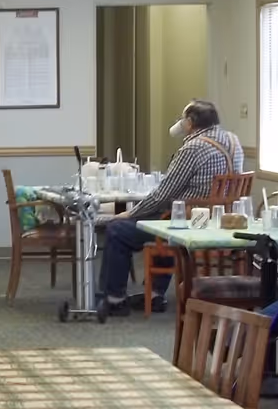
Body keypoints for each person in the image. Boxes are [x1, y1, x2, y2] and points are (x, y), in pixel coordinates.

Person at [97, 100, 244, 314]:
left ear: (190, 122)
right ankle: (155, 293)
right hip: (218, 221)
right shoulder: (233, 141)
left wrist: (130, 212)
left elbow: (163, 195)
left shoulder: (192, 148)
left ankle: (114, 298)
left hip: (189, 223)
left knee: (118, 230)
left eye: (183, 118)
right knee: (163, 217)